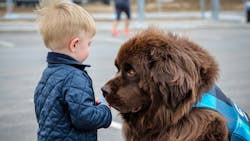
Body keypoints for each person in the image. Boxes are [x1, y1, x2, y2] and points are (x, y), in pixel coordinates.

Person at [33, 0, 112, 141]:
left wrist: (83, 103)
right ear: (75, 44)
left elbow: (53, 108)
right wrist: (105, 109)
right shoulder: (74, 76)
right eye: (89, 44)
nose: (89, 48)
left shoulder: (49, 73)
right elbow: (85, 119)